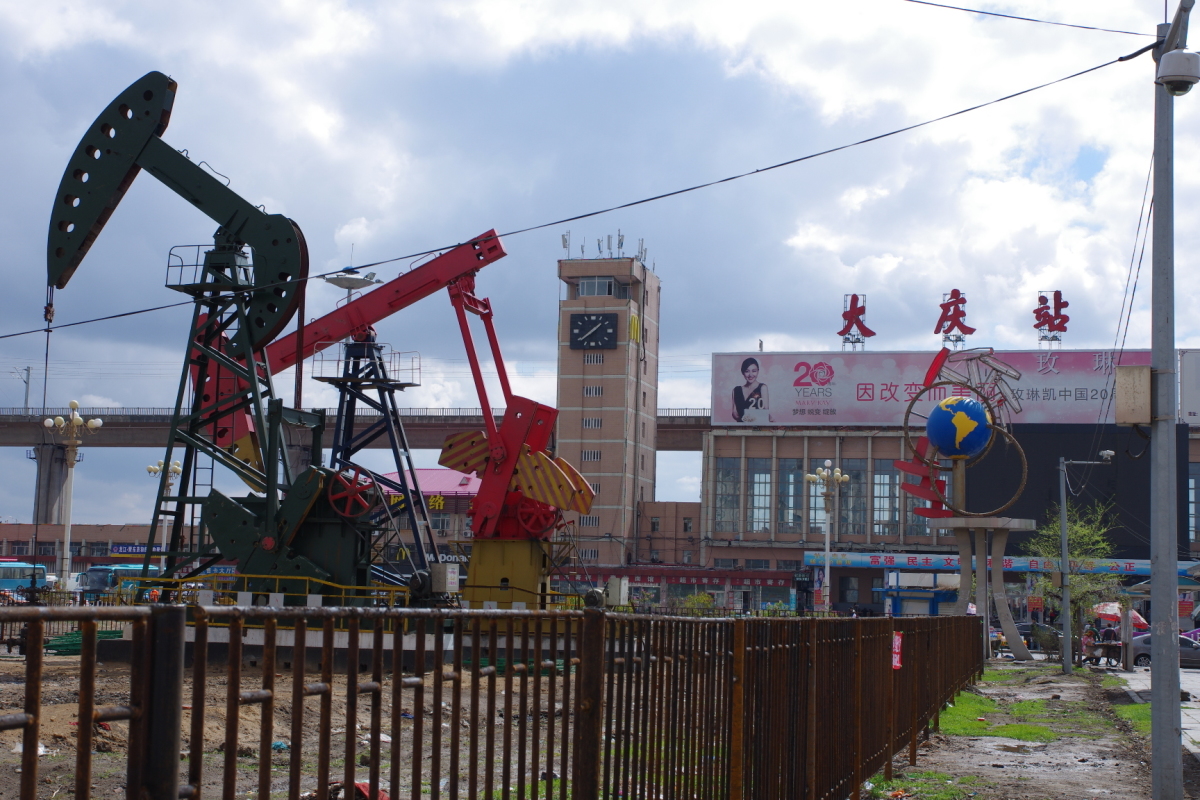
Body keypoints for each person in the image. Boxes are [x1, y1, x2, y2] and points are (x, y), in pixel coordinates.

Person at [732, 357, 769, 423]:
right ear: (743, 372)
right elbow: (734, 413)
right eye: (747, 371)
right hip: (741, 427)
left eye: (754, 371)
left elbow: (766, 412)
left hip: (758, 426)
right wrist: (741, 418)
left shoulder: (763, 388)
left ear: (758, 371)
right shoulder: (736, 390)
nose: (750, 375)